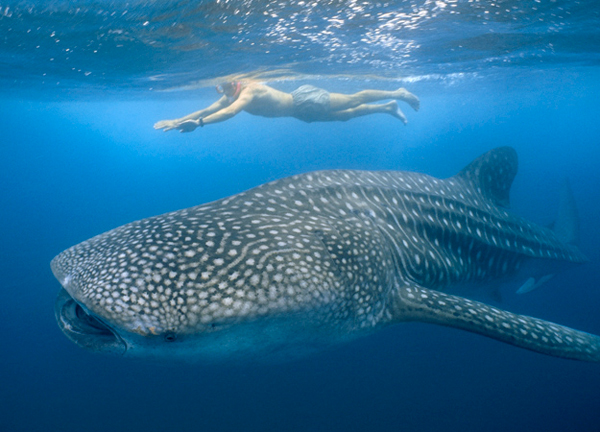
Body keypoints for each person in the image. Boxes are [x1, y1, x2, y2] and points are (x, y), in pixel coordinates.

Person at [154, 81, 420, 133]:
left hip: (304, 100)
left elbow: (229, 113)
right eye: (218, 90)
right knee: (344, 117)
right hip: (299, 112)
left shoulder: (248, 90)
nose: (221, 93)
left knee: (353, 99)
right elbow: (206, 110)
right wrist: (178, 121)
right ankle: (388, 107)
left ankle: (398, 92)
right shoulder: (230, 94)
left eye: (222, 87)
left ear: (232, 83)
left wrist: (199, 126)